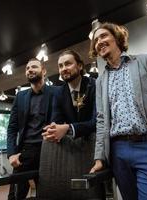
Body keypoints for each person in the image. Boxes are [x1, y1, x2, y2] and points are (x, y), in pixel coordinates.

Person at [89, 22, 147, 200]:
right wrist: (100, 157)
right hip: (118, 152)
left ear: (117, 38)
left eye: (103, 36)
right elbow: (101, 120)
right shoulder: (100, 81)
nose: (98, 42)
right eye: (95, 40)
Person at [39, 50, 104, 200]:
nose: (63, 68)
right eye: (60, 66)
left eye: (68, 63)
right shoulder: (58, 93)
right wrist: (52, 130)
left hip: (94, 149)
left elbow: (97, 121)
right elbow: (57, 121)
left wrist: (69, 128)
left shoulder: (94, 85)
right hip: (69, 152)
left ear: (80, 66)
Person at [6, 58, 55, 200]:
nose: (30, 70)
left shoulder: (56, 92)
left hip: (48, 151)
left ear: (44, 71)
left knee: (47, 195)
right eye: (27, 68)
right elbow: (12, 128)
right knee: (14, 196)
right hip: (24, 152)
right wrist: (11, 154)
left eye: (34, 66)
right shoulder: (20, 96)